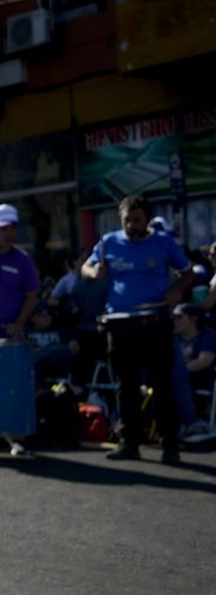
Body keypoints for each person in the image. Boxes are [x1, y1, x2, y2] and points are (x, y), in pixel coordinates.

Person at [81, 195, 193, 463]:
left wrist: (177, 289)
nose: (131, 225)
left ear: (147, 220)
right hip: (120, 324)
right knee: (125, 386)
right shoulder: (109, 241)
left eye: (137, 220)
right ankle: (129, 443)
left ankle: (170, 445)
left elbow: (187, 273)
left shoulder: (163, 242)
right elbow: (85, 267)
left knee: (161, 384)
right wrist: (93, 271)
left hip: (154, 321)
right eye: (126, 220)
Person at [0, 203, 39, 340]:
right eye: (3, 228)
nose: (8, 233)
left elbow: (32, 295)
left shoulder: (23, 259)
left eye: (12, 228)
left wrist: (19, 324)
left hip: (10, 338)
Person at [173, 303, 216, 442]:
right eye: (173, 317)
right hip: (176, 376)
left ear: (193, 319)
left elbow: (204, 361)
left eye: (179, 317)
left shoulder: (207, 336)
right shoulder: (173, 337)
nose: (175, 321)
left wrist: (179, 371)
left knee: (177, 379)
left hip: (201, 376)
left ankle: (192, 424)